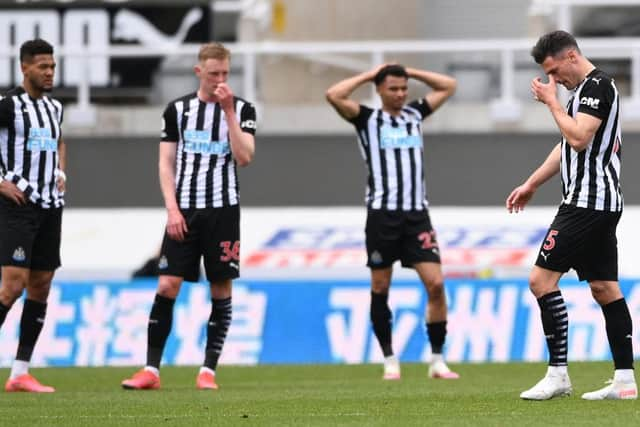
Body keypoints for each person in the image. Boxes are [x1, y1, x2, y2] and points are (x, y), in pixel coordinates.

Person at [507, 30, 636, 401]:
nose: (554, 81)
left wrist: (551, 103)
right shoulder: (582, 93)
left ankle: (558, 373)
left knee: (540, 281)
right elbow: (567, 146)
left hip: (586, 204)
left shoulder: (597, 86)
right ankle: (625, 381)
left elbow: (578, 137)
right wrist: (531, 184)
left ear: (570, 57)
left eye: (554, 71)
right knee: (604, 288)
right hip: (600, 204)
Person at [122, 42, 256, 391]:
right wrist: (171, 209)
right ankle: (151, 369)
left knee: (220, 287)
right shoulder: (177, 110)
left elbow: (245, 157)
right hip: (184, 211)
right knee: (167, 283)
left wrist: (228, 112)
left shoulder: (242, 109)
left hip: (223, 211)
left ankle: (208, 371)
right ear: (199, 72)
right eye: (214, 74)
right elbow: (165, 163)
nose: (220, 80)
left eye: (225, 73)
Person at [326, 64, 459, 380]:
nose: (400, 94)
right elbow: (333, 94)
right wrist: (369, 74)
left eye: (404, 88)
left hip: (417, 216)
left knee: (436, 284)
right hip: (382, 216)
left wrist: (413, 72)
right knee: (380, 287)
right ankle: (389, 359)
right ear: (379, 90)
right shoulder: (367, 119)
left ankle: (437, 360)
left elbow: (448, 85)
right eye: (393, 88)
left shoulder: (415, 114)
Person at [0, 39, 67, 393]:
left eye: (53, 66)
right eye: (43, 66)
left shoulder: (55, 108)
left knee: (41, 285)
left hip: (50, 206)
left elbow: (59, 142)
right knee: (12, 285)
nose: (49, 72)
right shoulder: (8, 106)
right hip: (17, 206)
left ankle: (20, 372)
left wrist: (61, 171)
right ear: (25, 67)